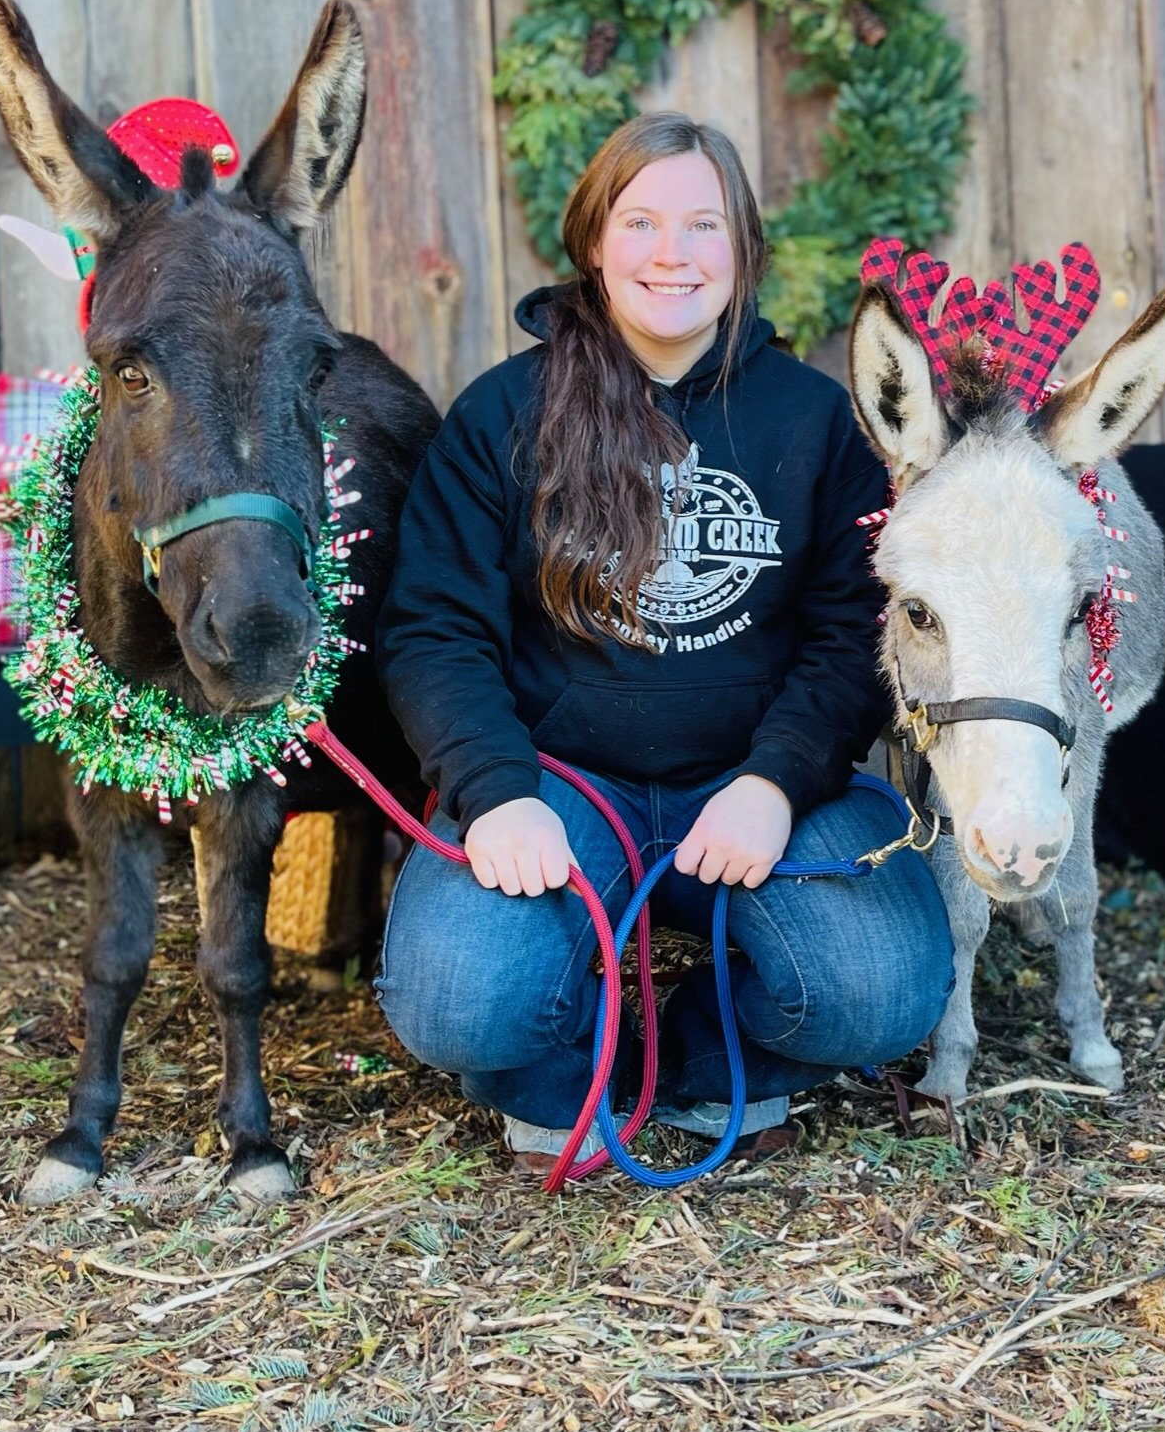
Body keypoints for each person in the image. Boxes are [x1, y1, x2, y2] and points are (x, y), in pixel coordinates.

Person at [372, 111, 954, 1170]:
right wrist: (496, 791)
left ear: (743, 248)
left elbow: (850, 633)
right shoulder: (506, 411)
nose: (671, 253)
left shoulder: (817, 422)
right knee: (454, 997)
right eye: (640, 220)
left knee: (881, 987)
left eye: (702, 224)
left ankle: (700, 1058)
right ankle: (567, 1077)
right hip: (561, 784)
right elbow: (432, 628)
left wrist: (777, 781)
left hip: (756, 788)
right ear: (595, 240)